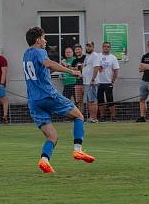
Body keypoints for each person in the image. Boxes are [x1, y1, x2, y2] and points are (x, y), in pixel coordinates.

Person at [23, 26, 95, 173]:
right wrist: (71, 71)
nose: (45, 40)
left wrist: (59, 67)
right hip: (47, 95)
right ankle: (78, 149)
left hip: (33, 101)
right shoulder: (40, 51)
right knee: (78, 116)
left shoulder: (26, 54)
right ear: (38, 40)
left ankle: (44, 160)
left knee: (52, 136)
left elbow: (45, 69)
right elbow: (47, 63)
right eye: (43, 38)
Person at [96, 42, 120, 121]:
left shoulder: (113, 57)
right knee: (100, 100)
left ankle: (113, 116)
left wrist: (112, 81)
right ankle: (102, 116)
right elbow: (94, 67)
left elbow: (116, 70)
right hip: (99, 82)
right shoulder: (98, 56)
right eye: (105, 46)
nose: (106, 48)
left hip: (108, 82)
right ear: (102, 47)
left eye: (108, 47)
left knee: (110, 100)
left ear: (110, 48)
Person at [81, 42, 100, 122]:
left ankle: (94, 118)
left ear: (93, 47)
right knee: (89, 100)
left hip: (92, 82)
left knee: (93, 100)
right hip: (86, 82)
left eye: (90, 46)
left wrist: (93, 79)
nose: (88, 48)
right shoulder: (87, 56)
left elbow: (96, 67)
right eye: (87, 46)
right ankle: (91, 117)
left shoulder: (95, 55)